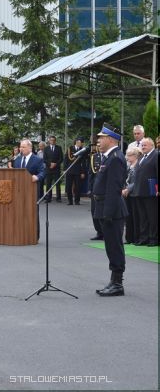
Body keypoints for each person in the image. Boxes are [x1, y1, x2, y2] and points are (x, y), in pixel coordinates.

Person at [92, 124, 129, 296]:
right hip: (104, 207)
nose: (98, 141)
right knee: (110, 246)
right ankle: (114, 281)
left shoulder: (115, 158)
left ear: (111, 139)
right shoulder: (108, 157)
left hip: (112, 211)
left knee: (114, 247)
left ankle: (117, 284)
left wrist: (107, 213)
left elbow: (113, 189)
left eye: (101, 138)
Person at [131, 137, 158, 247]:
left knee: (152, 217)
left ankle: (153, 239)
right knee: (143, 217)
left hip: (151, 192)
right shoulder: (142, 156)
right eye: (142, 145)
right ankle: (144, 238)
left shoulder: (156, 155)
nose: (143, 147)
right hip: (139, 191)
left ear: (152, 145)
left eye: (145, 145)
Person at [122, 147, 143, 244]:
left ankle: (136, 238)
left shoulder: (139, 166)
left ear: (135, 156)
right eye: (127, 155)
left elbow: (137, 181)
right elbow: (124, 179)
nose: (127, 158)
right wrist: (123, 189)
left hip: (135, 194)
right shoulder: (128, 166)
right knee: (128, 217)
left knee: (135, 217)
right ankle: (129, 238)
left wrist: (128, 189)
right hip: (126, 194)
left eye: (129, 155)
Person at [87, 138, 104, 240]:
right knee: (94, 211)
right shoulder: (94, 157)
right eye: (97, 145)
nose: (98, 146)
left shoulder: (108, 156)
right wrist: (90, 189)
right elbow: (90, 174)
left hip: (104, 188)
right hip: (95, 188)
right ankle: (99, 232)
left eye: (100, 144)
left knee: (103, 211)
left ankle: (106, 232)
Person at [64, 137, 87, 205]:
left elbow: (83, 162)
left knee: (78, 186)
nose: (82, 144)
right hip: (70, 169)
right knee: (69, 186)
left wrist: (83, 172)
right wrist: (65, 169)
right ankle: (70, 200)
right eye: (81, 142)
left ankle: (77, 200)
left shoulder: (82, 150)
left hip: (78, 170)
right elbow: (66, 159)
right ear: (77, 142)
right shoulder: (70, 149)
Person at [42, 135, 63, 202]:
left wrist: (55, 164)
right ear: (49, 141)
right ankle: (48, 198)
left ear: (55, 141)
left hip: (56, 168)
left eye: (54, 140)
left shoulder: (59, 148)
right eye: (51, 140)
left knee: (57, 183)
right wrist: (50, 164)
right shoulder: (46, 148)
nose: (52, 141)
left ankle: (58, 198)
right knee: (48, 184)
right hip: (49, 169)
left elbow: (61, 158)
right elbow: (44, 159)